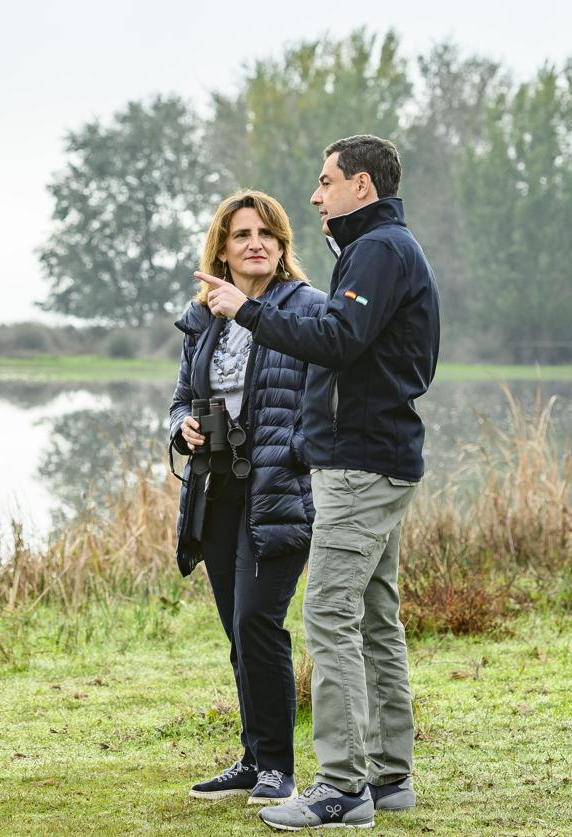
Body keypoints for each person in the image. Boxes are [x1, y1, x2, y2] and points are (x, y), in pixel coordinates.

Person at [196, 135, 441, 831]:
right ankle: (390, 776)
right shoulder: (378, 249)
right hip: (376, 456)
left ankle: (342, 786)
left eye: (326, 181)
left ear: (361, 185)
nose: (315, 194)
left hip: (362, 464)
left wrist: (246, 311)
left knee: (330, 616)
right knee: (372, 615)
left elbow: (337, 338)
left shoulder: (381, 251)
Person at [169, 190, 326, 807]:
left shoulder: (307, 308)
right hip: (216, 490)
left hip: (279, 489)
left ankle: (278, 771)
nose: (255, 242)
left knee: (259, 622)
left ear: (284, 246)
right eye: (241, 235)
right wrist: (181, 426)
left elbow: (325, 400)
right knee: (238, 631)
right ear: (222, 250)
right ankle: (254, 758)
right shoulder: (204, 317)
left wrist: (295, 450)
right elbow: (183, 396)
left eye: (267, 233)